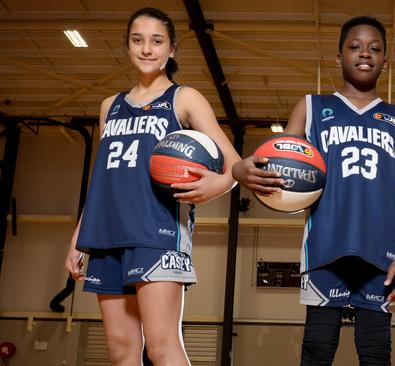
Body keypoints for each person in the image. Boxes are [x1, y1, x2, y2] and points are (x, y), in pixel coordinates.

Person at [233, 16, 395, 366]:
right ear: (338, 57)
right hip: (325, 246)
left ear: (385, 60)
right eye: (354, 46)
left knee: (376, 351)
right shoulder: (312, 107)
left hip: (383, 252)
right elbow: (280, 159)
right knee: (317, 350)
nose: (364, 53)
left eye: (375, 48)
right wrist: (244, 169)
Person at [64, 7, 240, 366]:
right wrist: (77, 238)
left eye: (156, 41)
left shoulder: (184, 98)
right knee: (121, 352)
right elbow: (104, 177)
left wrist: (217, 185)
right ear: (128, 46)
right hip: (106, 236)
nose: (147, 49)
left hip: (156, 233)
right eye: (137, 40)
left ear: (171, 49)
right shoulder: (109, 106)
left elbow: (234, 164)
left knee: (162, 347)